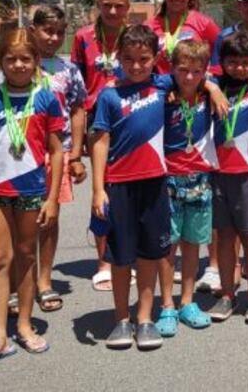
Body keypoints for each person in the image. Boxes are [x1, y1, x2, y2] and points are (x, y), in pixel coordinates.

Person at [0, 29, 65, 371]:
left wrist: (52, 198)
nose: (18, 65)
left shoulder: (47, 99)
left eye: (25, 58)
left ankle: (24, 323)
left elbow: (57, 151)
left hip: (32, 191)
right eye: (11, 59)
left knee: (25, 255)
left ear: (36, 61)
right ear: (1, 62)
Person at [89, 25, 175, 351]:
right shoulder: (109, 96)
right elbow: (100, 141)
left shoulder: (163, 85)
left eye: (144, 59)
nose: (136, 66)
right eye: (128, 59)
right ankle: (122, 319)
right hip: (119, 186)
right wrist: (98, 189)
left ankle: (145, 318)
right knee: (122, 257)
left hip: (155, 184)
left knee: (150, 255)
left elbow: (200, 76)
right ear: (118, 58)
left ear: (156, 58)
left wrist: (215, 89)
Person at [145, 0, 222, 292]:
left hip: (196, 100)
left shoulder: (203, 23)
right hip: (164, 104)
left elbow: (219, 59)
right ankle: (166, 278)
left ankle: (213, 265)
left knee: (202, 195)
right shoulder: (151, 25)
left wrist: (211, 85)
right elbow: (144, 63)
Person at [71, 0, 132, 293]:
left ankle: (127, 257)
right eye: (106, 5)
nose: (112, 11)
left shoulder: (134, 36)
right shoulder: (83, 38)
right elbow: (76, 88)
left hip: (129, 118)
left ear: (128, 8)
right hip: (97, 122)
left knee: (129, 190)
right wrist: (76, 141)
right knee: (102, 189)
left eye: (119, 5)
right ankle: (104, 262)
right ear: (97, 5)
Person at [207, 31, 248, 323]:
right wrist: (212, 87)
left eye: (246, 63)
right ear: (222, 62)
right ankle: (227, 295)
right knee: (224, 236)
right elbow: (186, 78)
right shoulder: (212, 86)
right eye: (232, 62)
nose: (239, 68)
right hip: (217, 172)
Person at [27, 5, 88, 313]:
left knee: (49, 218)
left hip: (58, 153)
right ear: (33, 30)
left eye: (59, 33)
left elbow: (77, 110)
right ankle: (20, 281)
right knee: (21, 220)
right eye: (47, 31)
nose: (53, 38)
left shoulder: (69, 70)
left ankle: (44, 280)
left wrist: (75, 153)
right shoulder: (18, 63)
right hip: (22, 154)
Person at [156, 40, 218, 337]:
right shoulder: (164, 94)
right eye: (182, 70)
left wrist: (213, 87)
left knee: (193, 243)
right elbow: (153, 78)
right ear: (172, 69)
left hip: (199, 179)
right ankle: (167, 304)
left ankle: (187, 302)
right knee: (168, 245)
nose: (189, 77)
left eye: (196, 71)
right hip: (168, 179)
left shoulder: (208, 93)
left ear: (205, 70)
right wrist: (171, 83)